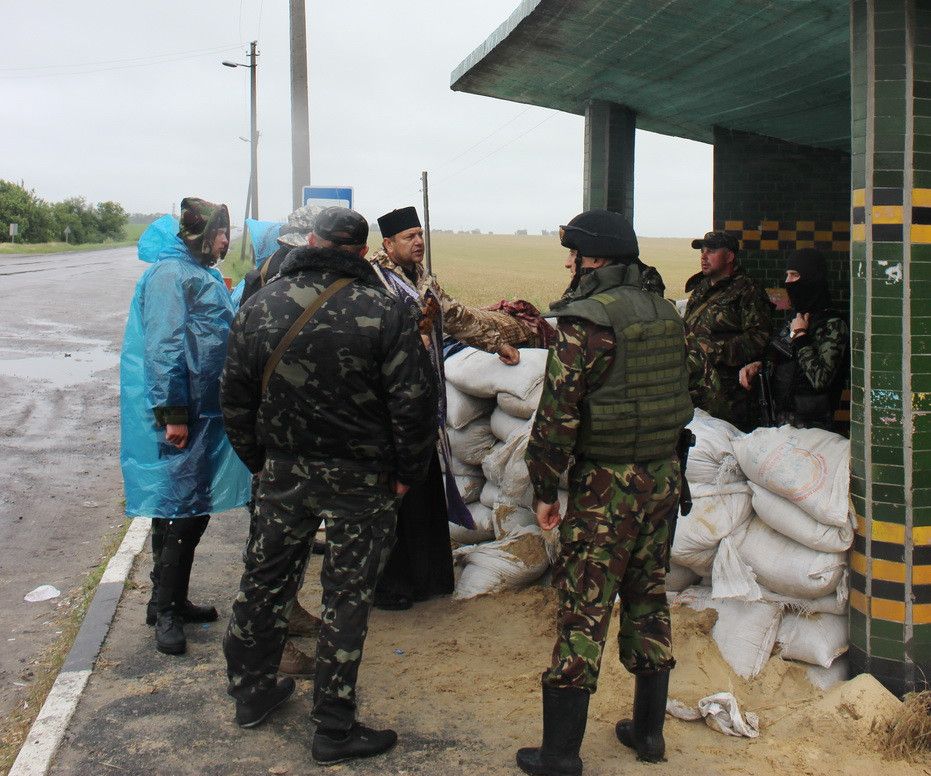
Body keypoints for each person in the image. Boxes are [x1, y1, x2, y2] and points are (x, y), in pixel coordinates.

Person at [221, 207, 436, 765]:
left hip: (282, 472)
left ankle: (250, 692)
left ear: (311, 242)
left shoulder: (261, 303)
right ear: (363, 252)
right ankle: (334, 728)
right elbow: (414, 404)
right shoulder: (384, 310)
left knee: (264, 580)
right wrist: (407, 475)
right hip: (361, 481)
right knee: (347, 597)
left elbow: (234, 398)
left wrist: (259, 462)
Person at [517, 210, 694, 776]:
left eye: (574, 253)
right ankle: (648, 735)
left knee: (583, 610)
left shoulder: (585, 321)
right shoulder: (666, 312)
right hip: (663, 479)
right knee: (648, 593)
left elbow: (556, 418)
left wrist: (545, 488)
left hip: (605, 487)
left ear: (593, 259)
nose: (570, 262)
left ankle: (561, 755)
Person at [368, 206, 532, 610]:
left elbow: (456, 317)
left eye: (420, 234)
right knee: (392, 491)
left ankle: (428, 577)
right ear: (387, 244)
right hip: (386, 402)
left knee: (423, 486)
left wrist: (497, 343)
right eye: (409, 236)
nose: (418, 242)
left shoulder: (423, 281)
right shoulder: (372, 282)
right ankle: (390, 584)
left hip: (423, 400)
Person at [119, 198, 251, 656]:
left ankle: (167, 600)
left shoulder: (197, 273)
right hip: (185, 413)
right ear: (201, 234)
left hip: (202, 409)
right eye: (220, 233)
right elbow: (163, 348)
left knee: (182, 505)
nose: (225, 241)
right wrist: (172, 415)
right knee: (185, 512)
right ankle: (167, 612)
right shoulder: (171, 276)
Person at [239, 204, 325, 678]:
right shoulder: (272, 283)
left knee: (285, 540)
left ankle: (287, 613)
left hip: (275, 430)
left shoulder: (269, 273)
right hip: (277, 432)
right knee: (269, 547)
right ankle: (272, 650)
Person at [738, 248, 848, 431]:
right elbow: (783, 357)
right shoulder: (796, 318)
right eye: (787, 275)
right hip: (780, 424)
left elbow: (820, 380)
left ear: (812, 278)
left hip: (813, 430)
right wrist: (759, 366)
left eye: (794, 275)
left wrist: (801, 337)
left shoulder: (832, 325)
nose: (787, 282)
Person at [683, 231, 772, 431]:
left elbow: (759, 336)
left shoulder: (747, 290)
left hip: (727, 395)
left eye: (711, 251)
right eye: (702, 251)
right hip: (694, 387)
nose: (703, 257)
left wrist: (716, 350)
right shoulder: (701, 288)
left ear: (730, 256)